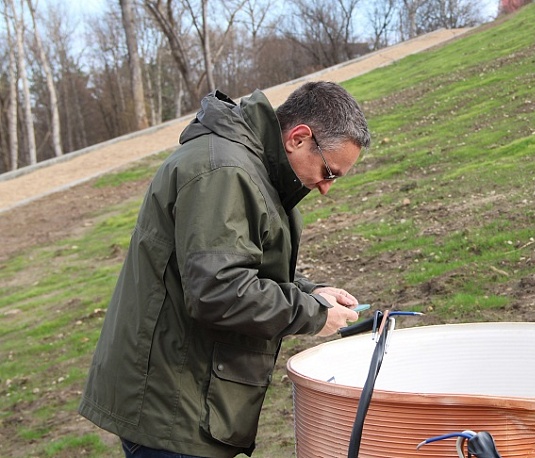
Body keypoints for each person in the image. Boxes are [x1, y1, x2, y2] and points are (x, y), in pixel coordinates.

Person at [78, 81, 371, 458]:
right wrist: (313, 314)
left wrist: (309, 292)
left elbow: (234, 261)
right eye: (329, 172)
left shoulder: (247, 165)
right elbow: (217, 290)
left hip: (184, 395)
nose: (326, 188)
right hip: (171, 408)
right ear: (298, 138)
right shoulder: (225, 171)